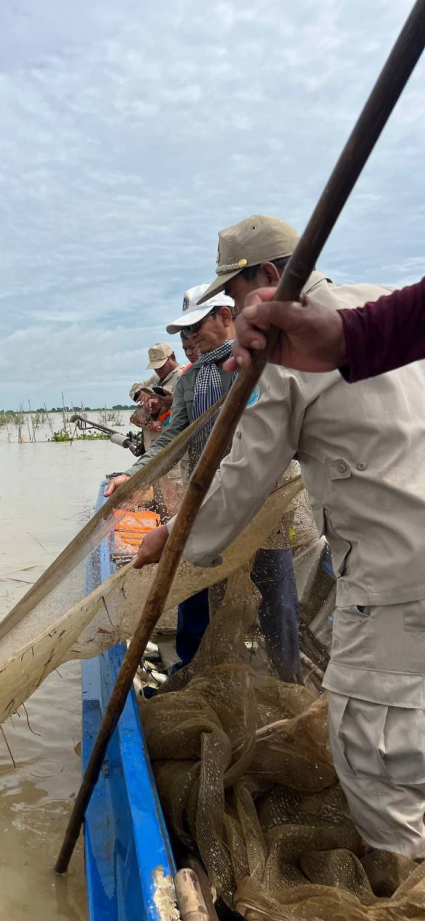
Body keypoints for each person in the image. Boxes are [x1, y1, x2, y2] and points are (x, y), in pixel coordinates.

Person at [134, 213, 425, 861]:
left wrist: (171, 538)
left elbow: (240, 481)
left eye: (235, 296)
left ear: (269, 275)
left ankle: (399, 869)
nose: (234, 313)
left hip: (393, 575)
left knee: (371, 751)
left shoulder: (284, 352)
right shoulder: (384, 305)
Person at [107, 290, 303, 683]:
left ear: (226, 316)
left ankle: (287, 680)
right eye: (184, 332)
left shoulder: (258, 365)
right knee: (197, 583)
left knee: (275, 593)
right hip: (208, 499)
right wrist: (135, 474)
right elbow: (171, 438)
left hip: (263, 500)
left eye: (196, 327)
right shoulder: (190, 380)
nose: (189, 338)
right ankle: (196, 674)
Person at [225, 276, 425, 383]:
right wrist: (343, 337)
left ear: (269, 276)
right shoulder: (385, 293)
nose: (237, 310)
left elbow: (257, 449)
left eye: (234, 296)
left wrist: (345, 337)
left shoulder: (273, 345)